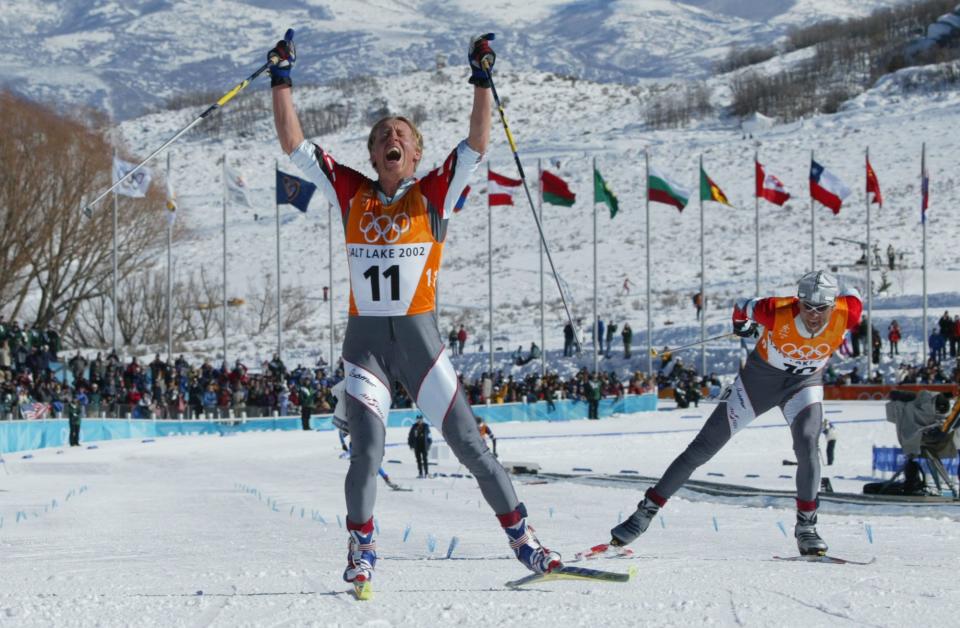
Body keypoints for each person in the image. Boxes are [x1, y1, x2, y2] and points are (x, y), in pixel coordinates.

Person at [269, 32, 560, 587]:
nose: (391, 137)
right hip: (368, 348)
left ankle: (525, 541)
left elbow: (476, 142)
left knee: (472, 446)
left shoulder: (435, 192)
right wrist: (282, 77)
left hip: (422, 345)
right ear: (374, 155)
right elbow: (294, 145)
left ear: (416, 153)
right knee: (367, 452)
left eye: (401, 134)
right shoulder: (349, 189)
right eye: (383, 136)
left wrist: (480, 78)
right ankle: (361, 550)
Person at [610, 271, 862, 556]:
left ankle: (806, 527)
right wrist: (740, 324)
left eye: (822, 309)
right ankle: (644, 513)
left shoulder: (848, 312)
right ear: (798, 301)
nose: (814, 315)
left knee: (808, 445)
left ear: (833, 304)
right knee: (702, 448)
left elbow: (855, 292)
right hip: (759, 383)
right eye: (807, 307)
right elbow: (742, 304)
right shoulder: (775, 310)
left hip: (804, 384)